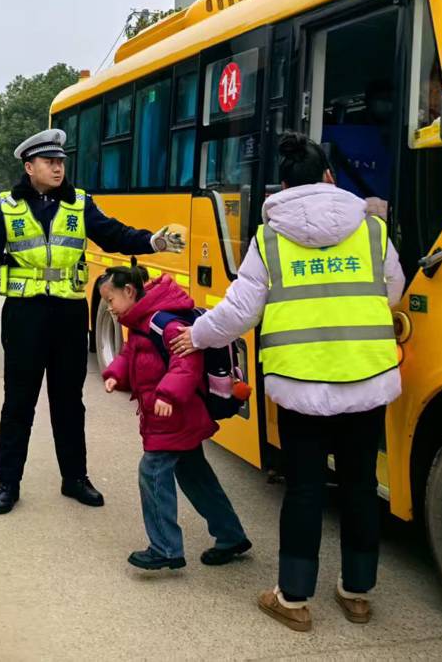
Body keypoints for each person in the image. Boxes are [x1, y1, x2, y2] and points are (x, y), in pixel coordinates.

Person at [169, 133, 404, 632]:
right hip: (366, 377)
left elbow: (240, 311)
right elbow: (393, 289)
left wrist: (196, 335)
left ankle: (293, 599)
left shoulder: (269, 238)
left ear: (283, 186)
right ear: (329, 177)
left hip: (301, 385)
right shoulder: (373, 230)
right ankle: (357, 594)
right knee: (361, 486)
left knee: (304, 490)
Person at [0, 128, 187, 514]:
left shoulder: (79, 205)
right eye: (49, 162)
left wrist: (150, 242)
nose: (58, 168)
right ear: (29, 167)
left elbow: (113, 235)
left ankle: (74, 478)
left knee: (69, 401)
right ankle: (8, 482)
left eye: (61, 162)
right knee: (18, 401)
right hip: (24, 315)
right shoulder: (7, 206)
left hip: (69, 316)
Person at [99, 264, 251, 571]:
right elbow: (130, 354)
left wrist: (167, 395)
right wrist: (115, 374)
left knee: (152, 472)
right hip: (172, 416)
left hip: (174, 415)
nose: (110, 308)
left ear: (128, 291)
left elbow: (186, 363)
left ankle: (165, 548)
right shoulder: (141, 321)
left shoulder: (161, 323)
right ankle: (231, 536)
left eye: (110, 300)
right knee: (195, 475)